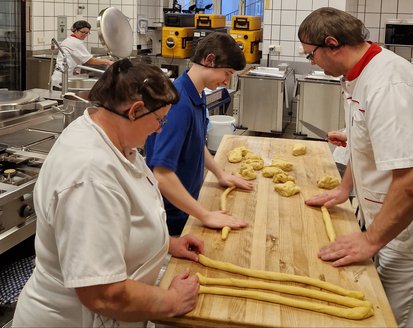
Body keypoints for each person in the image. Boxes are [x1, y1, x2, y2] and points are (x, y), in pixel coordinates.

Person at [298, 8, 413, 328]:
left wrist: (370, 240)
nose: (314, 64)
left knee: (394, 320)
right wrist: (344, 188)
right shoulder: (357, 74)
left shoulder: (390, 85)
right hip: (392, 220)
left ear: (332, 44)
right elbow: (363, 145)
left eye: (312, 56)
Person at [13, 59, 204, 327]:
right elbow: (103, 294)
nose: (160, 129)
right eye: (160, 119)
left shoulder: (111, 136)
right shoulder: (90, 175)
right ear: (135, 110)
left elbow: (120, 221)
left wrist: (167, 243)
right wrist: (172, 300)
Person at [145, 32, 253, 236]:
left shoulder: (197, 93)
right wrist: (205, 215)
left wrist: (220, 173)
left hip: (187, 205)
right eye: (227, 73)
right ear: (209, 60)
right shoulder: (178, 104)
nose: (227, 82)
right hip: (172, 215)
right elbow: (162, 174)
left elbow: (195, 141)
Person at [51, 20, 113, 89]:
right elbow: (90, 60)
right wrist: (107, 62)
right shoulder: (76, 42)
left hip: (60, 76)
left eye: (87, 33)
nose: (85, 35)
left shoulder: (69, 40)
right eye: (82, 32)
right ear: (75, 30)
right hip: (62, 78)